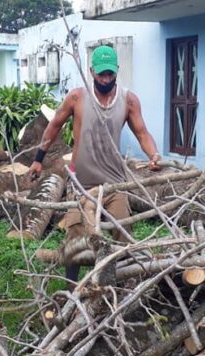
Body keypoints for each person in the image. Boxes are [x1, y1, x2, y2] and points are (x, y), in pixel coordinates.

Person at [28, 45, 161, 286]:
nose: (105, 79)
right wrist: (38, 159)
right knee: (75, 239)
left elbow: (142, 133)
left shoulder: (128, 100)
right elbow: (54, 125)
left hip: (114, 184)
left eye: (110, 74)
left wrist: (153, 155)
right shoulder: (77, 97)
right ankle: (72, 292)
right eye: (101, 74)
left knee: (123, 234)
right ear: (91, 71)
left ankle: (123, 287)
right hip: (82, 183)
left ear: (117, 71)